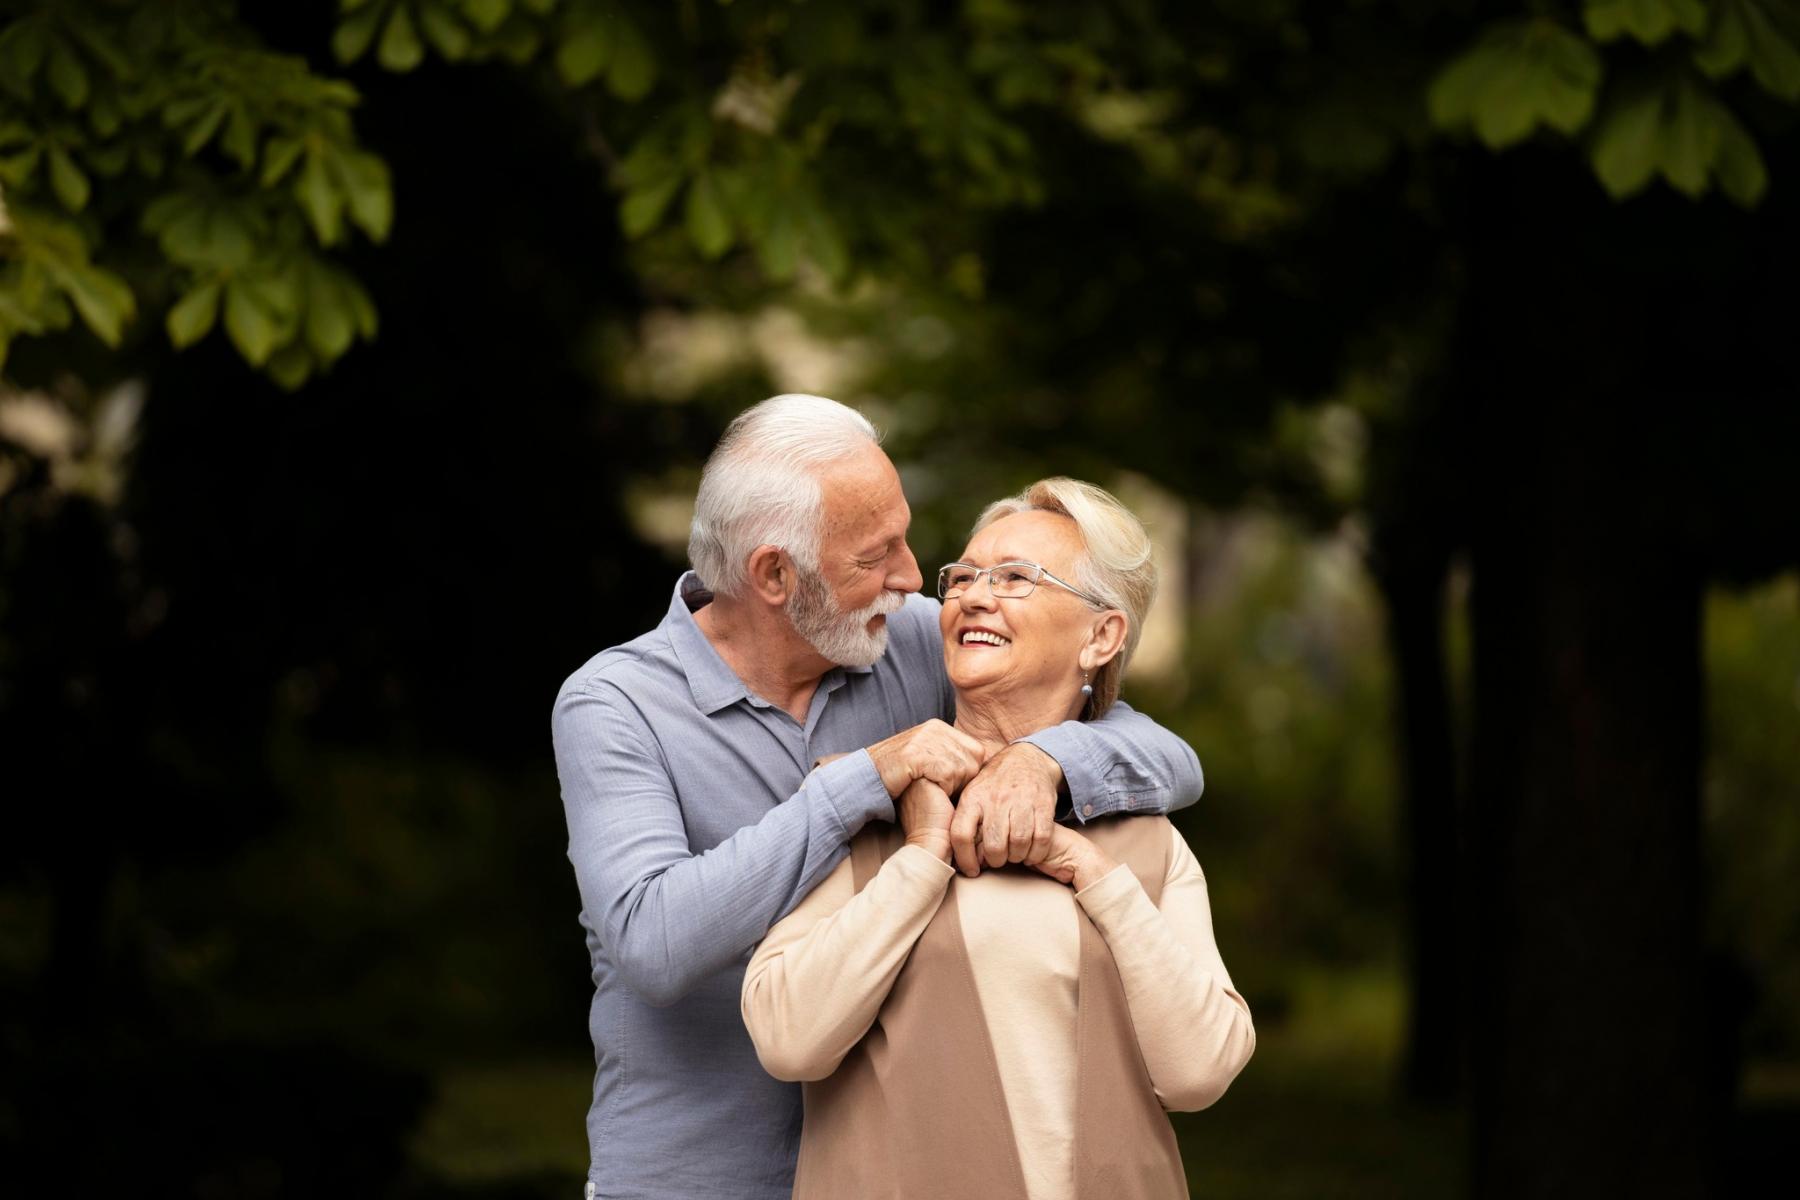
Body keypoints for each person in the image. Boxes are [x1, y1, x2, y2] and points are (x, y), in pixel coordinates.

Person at [551, 396, 1204, 1199]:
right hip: (698, 1178)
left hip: (880, 1173)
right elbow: (652, 942)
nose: (909, 576)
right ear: (775, 575)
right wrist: (859, 782)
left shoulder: (901, 639)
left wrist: (1044, 761)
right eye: (876, 554)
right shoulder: (615, 706)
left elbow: (1161, 750)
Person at [741, 477, 1254, 1200]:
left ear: (1102, 637)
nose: (973, 596)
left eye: (1016, 578)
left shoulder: (1145, 839)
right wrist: (923, 854)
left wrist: (1092, 872)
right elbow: (788, 1038)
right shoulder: (868, 807)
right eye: (966, 576)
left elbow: (1199, 1073)